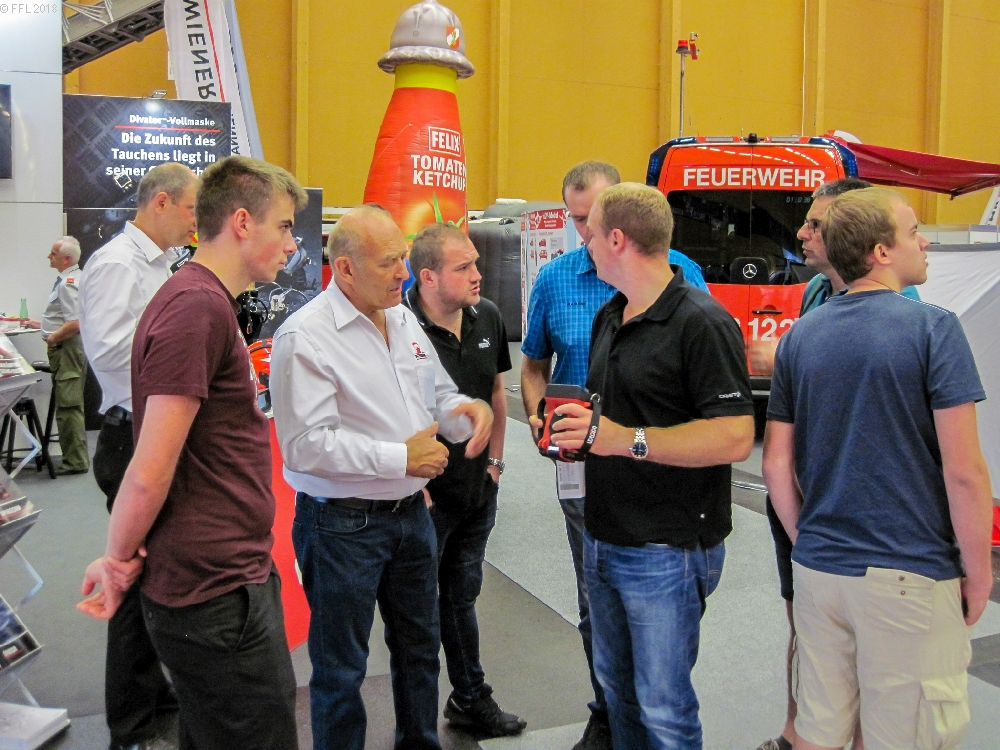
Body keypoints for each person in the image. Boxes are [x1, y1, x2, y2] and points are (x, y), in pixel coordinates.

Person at [78, 155, 307, 749]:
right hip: (216, 586)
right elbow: (150, 469)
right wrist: (117, 558)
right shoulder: (196, 306)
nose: (292, 244)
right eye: (284, 226)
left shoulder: (201, 298)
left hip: (226, 573)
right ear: (242, 222)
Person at [763, 187, 992, 750]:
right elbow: (964, 471)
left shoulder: (800, 337)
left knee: (819, 729)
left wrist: (807, 541)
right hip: (909, 573)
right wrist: (979, 571)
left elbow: (776, 463)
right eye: (914, 232)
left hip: (820, 572)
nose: (925, 241)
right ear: (881, 252)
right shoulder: (934, 330)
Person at [269, 205, 494, 750]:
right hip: (340, 526)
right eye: (389, 262)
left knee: (420, 651)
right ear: (346, 268)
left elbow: (436, 396)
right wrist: (400, 458)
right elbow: (304, 446)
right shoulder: (305, 337)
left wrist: (464, 412)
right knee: (341, 668)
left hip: (411, 517)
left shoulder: (401, 319)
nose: (404, 273)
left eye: (403, 259)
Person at [542, 183, 755, 749]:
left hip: (667, 546)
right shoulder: (612, 315)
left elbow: (735, 436)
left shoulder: (701, 323)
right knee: (619, 694)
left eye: (590, 233)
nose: (584, 244)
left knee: (664, 708)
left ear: (617, 239)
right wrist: (578, 431)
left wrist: (623, 440)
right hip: (604, 532)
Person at [519, 161, 708, 750]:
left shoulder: (683, 279)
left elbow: (712, 398)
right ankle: (608, 709)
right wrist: (538, 416)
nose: (583, 233)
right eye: (575, 219)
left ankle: (655, 708)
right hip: (581, 471)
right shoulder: (557, 280)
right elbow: (534, 363)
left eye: (592, 221)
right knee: (593, 598)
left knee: (661, 622)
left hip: (660, 481)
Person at [78, 161, 197, 750]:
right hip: (133, 435)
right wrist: (182, 369)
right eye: (192, 208)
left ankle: (152, 694)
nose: (197, 221)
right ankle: (128, 726)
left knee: (156, 570)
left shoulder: (160, 264)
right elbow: (108, 354)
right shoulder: (117, 265)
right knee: (131, 574)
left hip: (153, 430)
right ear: (161, 202)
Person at [404, 223, 526, 737]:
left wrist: (495, 465)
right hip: (423, 500)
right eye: (464, 267)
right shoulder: (398, 328)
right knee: (415, 612)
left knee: (460, 596)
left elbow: (495, 393)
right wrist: (414, 488)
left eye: (476, 261)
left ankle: (470, 697)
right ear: (428, 277)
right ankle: (415, 724)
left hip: (477, 492)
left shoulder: (488, 316)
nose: (479, 273)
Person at [27, 236, 89, 474]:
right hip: (67, 347)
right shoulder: (69, 280)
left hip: (66, 348)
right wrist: (41, 325)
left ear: (66, 259)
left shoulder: (69, 283)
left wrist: (53, 337)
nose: (49, 256)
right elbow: (64, 317)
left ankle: (75, 462)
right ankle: (75, 458)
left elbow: (75, 322)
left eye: (53, 253)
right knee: (67, 405)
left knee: (69, 407)